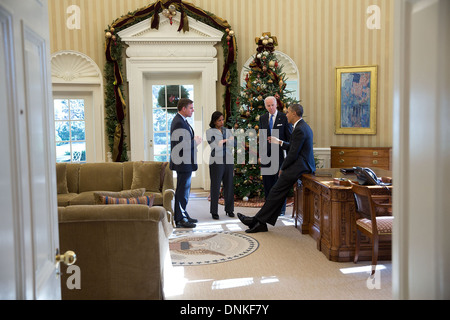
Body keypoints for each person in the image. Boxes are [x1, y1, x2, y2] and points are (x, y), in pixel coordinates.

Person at [238, 104, 316, 233]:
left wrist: (283, 168)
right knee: (276, 191)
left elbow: (293, 153)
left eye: (288, 113)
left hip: (301, 166)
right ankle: (259, 221)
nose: (286, 115)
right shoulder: (301, 127)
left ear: (295, 114)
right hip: (300, 164)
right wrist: (279, 142)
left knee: (276, 190)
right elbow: (293, 146)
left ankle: (257, 221)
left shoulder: (300, 129)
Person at [170, 98, 202, 228]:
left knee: (185, 190)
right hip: (182, 162)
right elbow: (180, 145)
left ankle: (183, 213)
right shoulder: (178, 122)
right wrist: (195, 142)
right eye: (191, 108)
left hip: (185, 162)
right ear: (183, 109)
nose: (193, 110)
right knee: (182, 190)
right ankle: (179, 218)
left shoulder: (182, 121)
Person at [259, 96, 292, 216]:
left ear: (276, 104)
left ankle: (281, 210)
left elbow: (289, 139)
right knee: (267, 183)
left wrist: (289, 158)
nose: (271, 108)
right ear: (265, 106)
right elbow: (262, 138)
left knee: (279, 184)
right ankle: (269, 209)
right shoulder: (263, 118)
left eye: (272, 105)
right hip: (266, 156)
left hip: (280, 156)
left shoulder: (284, 117)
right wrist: (261, 154)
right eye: (268, 106)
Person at [206, 111, 236, 220]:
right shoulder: (209, 132)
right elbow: (214, 145)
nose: (222, 122)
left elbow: (234, 143)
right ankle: (214, 211)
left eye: (223, 119)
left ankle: (229, 210)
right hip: (216, 162)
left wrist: (224, 141)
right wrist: (226, 141)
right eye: (219, 120)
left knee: (229, 185)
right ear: (214, 121)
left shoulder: (227, 130)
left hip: (228, 160)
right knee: (215, 186)